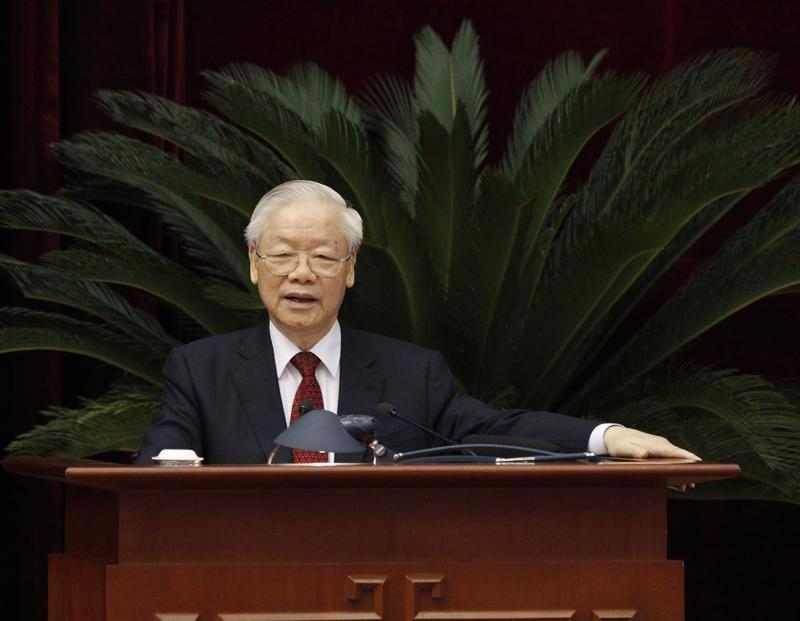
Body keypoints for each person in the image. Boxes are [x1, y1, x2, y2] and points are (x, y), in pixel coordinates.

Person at [135, 180, 700, 464]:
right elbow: (157, 470)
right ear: (255, 267)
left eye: (324, 257)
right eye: (282, 255)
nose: (302, 274)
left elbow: (493, 429)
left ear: (350, 269)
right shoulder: (199, 371)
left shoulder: (411, 374)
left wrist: (608, 437)